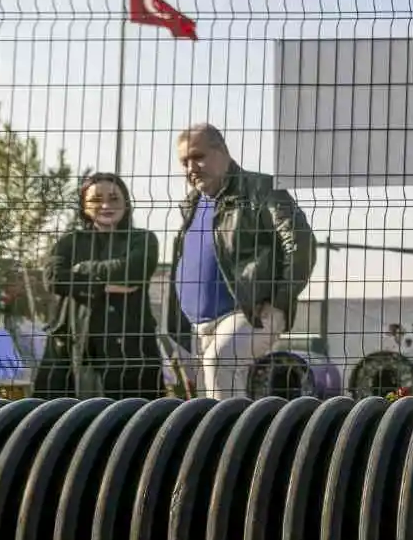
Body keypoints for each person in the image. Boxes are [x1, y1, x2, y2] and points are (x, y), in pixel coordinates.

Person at [170, 125, 317, 398]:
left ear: (223, 151)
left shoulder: (260, 188)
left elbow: (299, 243)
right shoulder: (193, 204)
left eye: (198, 156)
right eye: (184, 161)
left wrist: (280, 300)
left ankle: (231, 440)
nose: (191, 167)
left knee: (220, 363)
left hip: (249, 312)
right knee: (207, 400)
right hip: (198, 325)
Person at [37, 173, 164, 399]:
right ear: (84, 206)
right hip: (74, 344)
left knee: (133, 421)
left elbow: (133, 271)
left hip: (130, 349)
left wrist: (80, 270)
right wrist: (103, 286)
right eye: (96, 199)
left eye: (114, 198)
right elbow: (53, 278)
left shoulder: (143, 239)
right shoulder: (69, 241)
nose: (106, 205)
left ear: (126, 203)